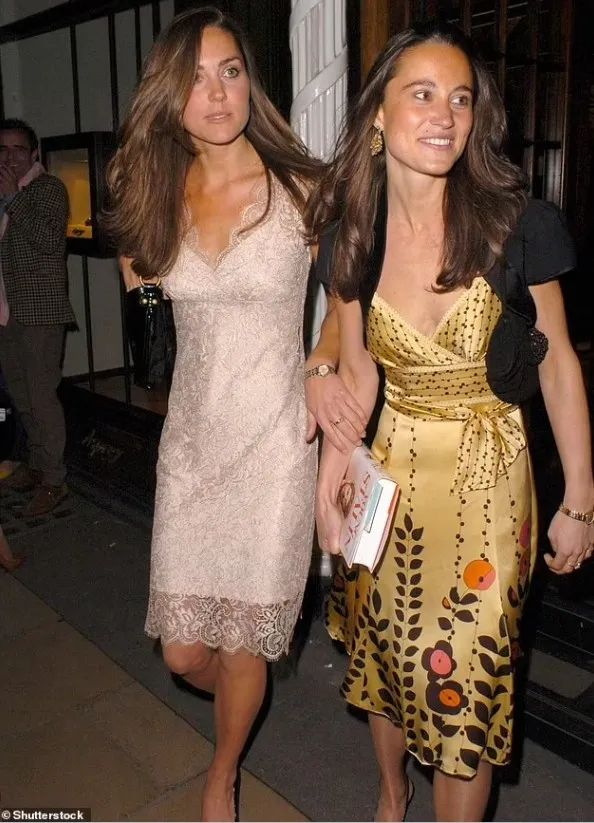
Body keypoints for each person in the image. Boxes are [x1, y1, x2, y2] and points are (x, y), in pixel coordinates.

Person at [305, 23, 594, 822]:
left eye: (460, 99)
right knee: (392, 653)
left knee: (468, 674)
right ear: (378, 114)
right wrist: (332, 468)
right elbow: (355, 367)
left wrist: (579, 496)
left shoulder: (517, 224)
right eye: (422, 94)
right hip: (391, 472)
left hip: (488, 480)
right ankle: (392, 790)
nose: (445, 115)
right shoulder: (351, 236)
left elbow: (558, 364)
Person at [105, 8, 322, 821]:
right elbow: (147, 314)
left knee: (244, 641)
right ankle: (238, 703)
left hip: (275, 442)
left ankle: (222, 773)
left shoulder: (303, 187)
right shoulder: (155, 195)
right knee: (183, 651)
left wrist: (325, 363)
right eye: (196, 78)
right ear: (170, 92)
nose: (218, 92)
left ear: (249, 82)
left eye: (230, 71)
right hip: (194, 445)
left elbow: (348, 305)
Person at [0, 119, 74, 516]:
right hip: (5, 311)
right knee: (20, 395)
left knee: (42, 397)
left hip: (39, 312)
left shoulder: (48, 189)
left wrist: (14, 198)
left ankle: (54, 481)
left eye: (17, 149)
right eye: (2, 149)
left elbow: (49, 242)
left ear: (33, 154)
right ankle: (36, 464)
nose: (9, 157)